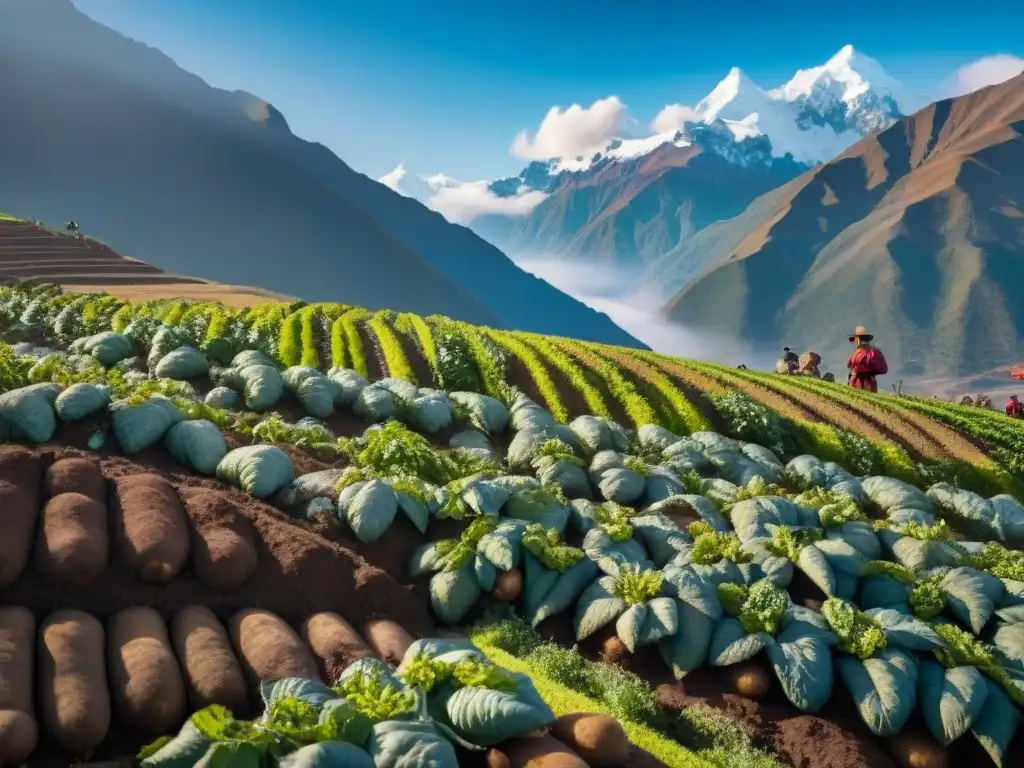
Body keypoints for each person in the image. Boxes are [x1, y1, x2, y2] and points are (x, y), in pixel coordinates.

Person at [847, 326, 888, 392]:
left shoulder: (863, 352)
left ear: (857, 339)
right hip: (870, 383)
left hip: (860, 382)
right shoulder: (875, 352)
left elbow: (850, 364)